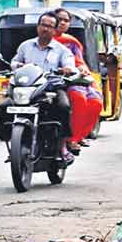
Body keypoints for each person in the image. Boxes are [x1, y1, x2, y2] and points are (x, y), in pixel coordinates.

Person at [9, 11, 76, 158]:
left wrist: (67, 69)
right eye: (43, 25)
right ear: (38, 26)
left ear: (55, 30)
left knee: (63, 107)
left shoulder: (62, 50)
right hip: (27, 89)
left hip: (51, 88)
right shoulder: (25, 46)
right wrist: (17, 65)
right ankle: (10, 141)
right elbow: (13, 62)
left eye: (50, 26)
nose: (46, 29)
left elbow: (71, 66)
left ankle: (63, 146)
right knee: (4, 107)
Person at [51, 8, 104, 154]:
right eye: (59, 19)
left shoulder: (71, 42)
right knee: (78, 99)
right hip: (56, 80)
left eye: (66, 20)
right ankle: (71, 139)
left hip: (75, 77)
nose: (62, 23)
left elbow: (79, 60)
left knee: (96, 102)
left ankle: (79, 134)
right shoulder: (46, 39)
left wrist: (83, 69)